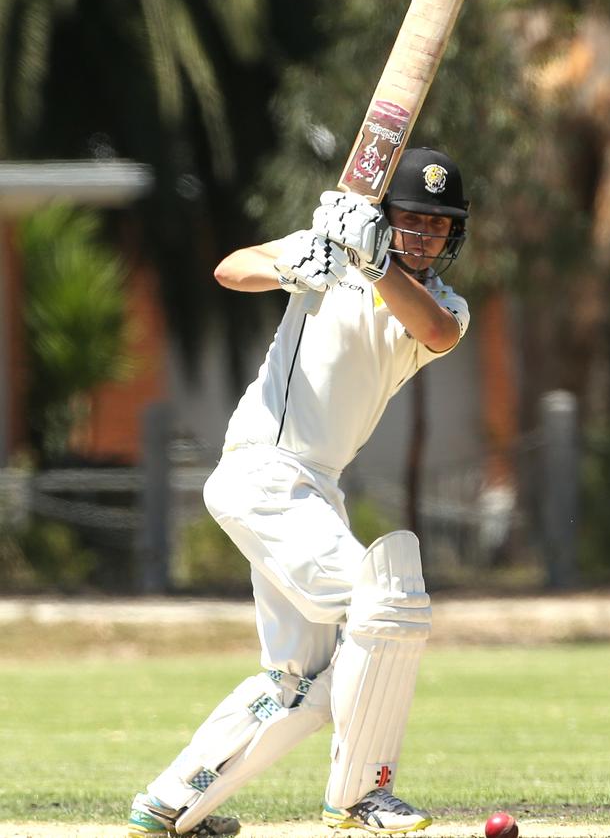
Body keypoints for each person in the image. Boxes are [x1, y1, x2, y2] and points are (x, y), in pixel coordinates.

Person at [128, 147, 471, 838]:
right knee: (388, 600)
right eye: (413, 219)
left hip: (314, 488)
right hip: (264, 468)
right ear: (385, 214)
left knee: (300, 684)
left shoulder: (442, 304)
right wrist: (290, 264)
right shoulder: (333, 253)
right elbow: (231, 267)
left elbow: (432, 329)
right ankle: (360, 796)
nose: (427, 235)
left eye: (440, 224)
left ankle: (170, 803)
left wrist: (375, 264)